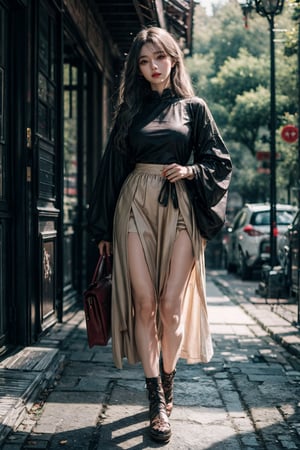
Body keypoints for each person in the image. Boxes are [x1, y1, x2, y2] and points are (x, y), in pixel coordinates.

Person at [87, 26, 232, 443]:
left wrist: (189, 170)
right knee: (145, 303)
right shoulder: (129, 111)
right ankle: (155, 402)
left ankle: (168, 384)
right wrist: (102, 229)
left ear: (173, 59)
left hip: (179, 204)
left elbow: (218, 162)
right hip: (134, 203)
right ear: (138, 66)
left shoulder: (194, 108)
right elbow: (111, 169)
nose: (154, 67)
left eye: (160, 58)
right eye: (145, 60)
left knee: (170, 305)